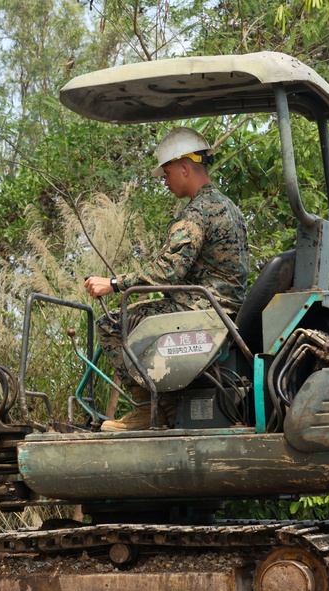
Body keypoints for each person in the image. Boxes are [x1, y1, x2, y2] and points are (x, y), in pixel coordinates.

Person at [83, 127, 249, 431]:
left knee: (111, 325)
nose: (165, 181)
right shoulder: (230, 208)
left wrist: (114, 284)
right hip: (224, 309)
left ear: (185, 168)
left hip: (202, 312)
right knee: (144, 311)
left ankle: (154, 408)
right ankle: (166, 401)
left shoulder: (196, 214)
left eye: (167, 173)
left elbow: (167, 272)